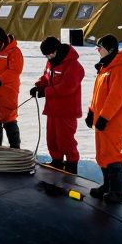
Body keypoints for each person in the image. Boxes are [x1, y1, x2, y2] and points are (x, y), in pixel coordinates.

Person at [87, 34, 122, 203]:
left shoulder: (120, 71)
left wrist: (104, 117)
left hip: (113, 122)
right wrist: (91, 112)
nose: (97, 50)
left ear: (110, 49)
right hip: (101, 121)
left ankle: (117, 191)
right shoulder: (105, 69)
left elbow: (116, 98)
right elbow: (97, 96)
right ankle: (107, 186)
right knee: (102, 154)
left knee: (113, 155)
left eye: (100, 47)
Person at [30, 36, 84, 173]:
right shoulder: (51, 62)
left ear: (57, 50)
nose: (49, 57)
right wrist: (39, 86)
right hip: (52, 108)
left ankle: (72, 165)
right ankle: (57, 161)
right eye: (46, 55)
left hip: (66, 110)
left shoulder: (73, 65)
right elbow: (46, 77)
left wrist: (46, 92)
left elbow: (68, 87)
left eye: (51, 53)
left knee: (66, 140)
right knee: (52, 139)